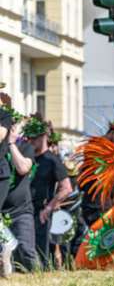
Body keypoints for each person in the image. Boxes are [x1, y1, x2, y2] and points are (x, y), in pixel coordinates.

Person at [24, 116, 71, 268]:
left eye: (35, 137)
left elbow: (66, 188)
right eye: (29, 137)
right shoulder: (26, 157)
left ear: (44, 136)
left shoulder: (52, 160)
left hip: (41, 212)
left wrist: (49, 207)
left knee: (41, 253)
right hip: (23, 210)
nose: (31, 141)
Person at [1, 121, 37, 271]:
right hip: (2, 214)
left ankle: (37, 281)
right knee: (5, 255)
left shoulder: (26, 147)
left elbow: (23, 168)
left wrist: (11, 144)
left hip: (21, 211)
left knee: (26, 251)